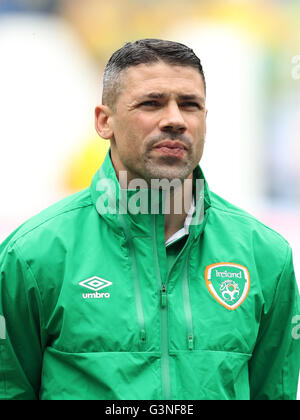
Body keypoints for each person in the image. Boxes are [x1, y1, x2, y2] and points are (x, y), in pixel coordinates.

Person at [0, 39, 299, 401]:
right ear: (104, 121)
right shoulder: (32, 255)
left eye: (190, 105)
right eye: (151, 103)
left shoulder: (265, 255)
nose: (174, 119)